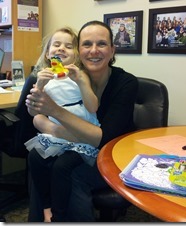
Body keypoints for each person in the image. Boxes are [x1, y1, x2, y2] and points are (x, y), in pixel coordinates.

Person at [26, 20, 138, 222]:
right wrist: (46, 121)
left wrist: (54, 117)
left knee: (70, 171)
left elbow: (102, 139)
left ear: (112, 50)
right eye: (87, 44)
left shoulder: (125, 83)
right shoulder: (64, 79)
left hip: (110, 153)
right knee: (39, 158)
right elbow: (36, 116)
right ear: (79, 50)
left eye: (102, 44)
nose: (94, 50)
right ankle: (44, 215)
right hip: (68, 143)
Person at [26, 26, 101, 222]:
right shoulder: (43, 76)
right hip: (56, 133)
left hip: (80, 130)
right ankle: (46, 206)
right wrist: (40, 85)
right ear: (48, 52)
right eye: (56, 45)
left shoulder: (80, 75)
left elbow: (92, 106)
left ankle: (58, 217)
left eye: (68, 46)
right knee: (35, 157)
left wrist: (81, 82)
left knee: (62, 166)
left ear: (76, 54)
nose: (61, 49)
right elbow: (32, 111)